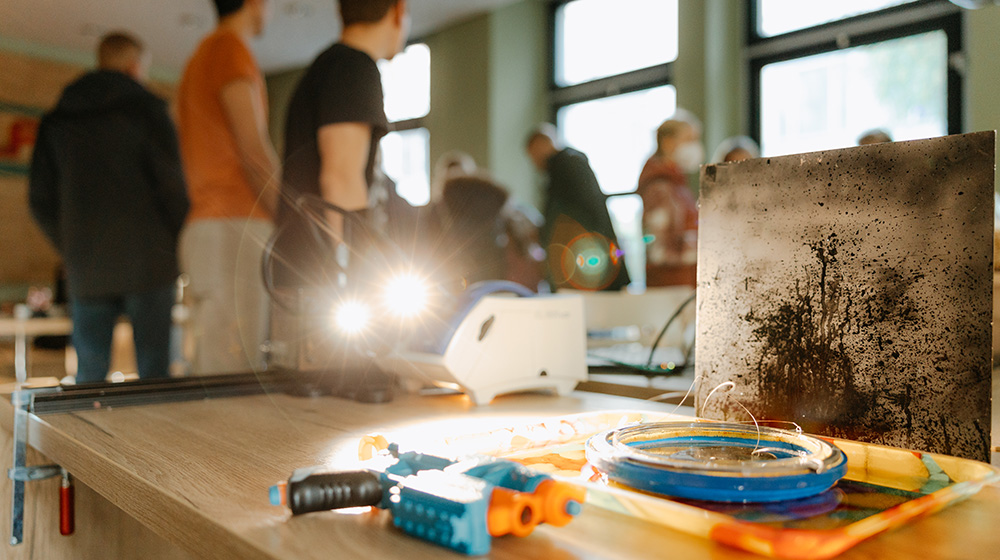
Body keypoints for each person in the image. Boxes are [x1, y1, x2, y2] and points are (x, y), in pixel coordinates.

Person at [29, 32, 189, 383]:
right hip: (150, 263)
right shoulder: (149, 111)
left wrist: (71, 245)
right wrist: (174, 240)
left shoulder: (58, 120)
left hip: (87, 266)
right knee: (154, 376)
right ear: (134, 67)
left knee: (88, 378)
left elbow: (39, 200)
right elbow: (174, 189)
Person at [274, 0, 409, 290]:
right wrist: (349, 276)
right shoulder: (354, 67)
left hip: (305, 270)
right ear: (398, 10)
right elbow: (340, 179)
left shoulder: (328, 67)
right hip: (322, 279)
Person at [176, 0, 280, 374]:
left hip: (213, 225)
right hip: (232, 224)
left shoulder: (200, 56)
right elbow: (252, 150)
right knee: (233, 372)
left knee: (216, 365)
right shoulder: (228, 49)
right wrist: (289, 214)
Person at [525, 124, 629, 292]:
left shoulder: (565, 166)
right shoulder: (571, 164)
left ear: (542, 144)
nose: (534, 162)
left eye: (532, 154)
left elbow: (565, 218)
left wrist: (544, 234)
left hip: (585, 262)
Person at [638, 111, 701, 287]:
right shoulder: (658, 187)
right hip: (670, 285)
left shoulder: (677, 185)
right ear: (667, 142)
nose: (695, 146)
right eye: (689, 139)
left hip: (683, 282)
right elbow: (659, 248)